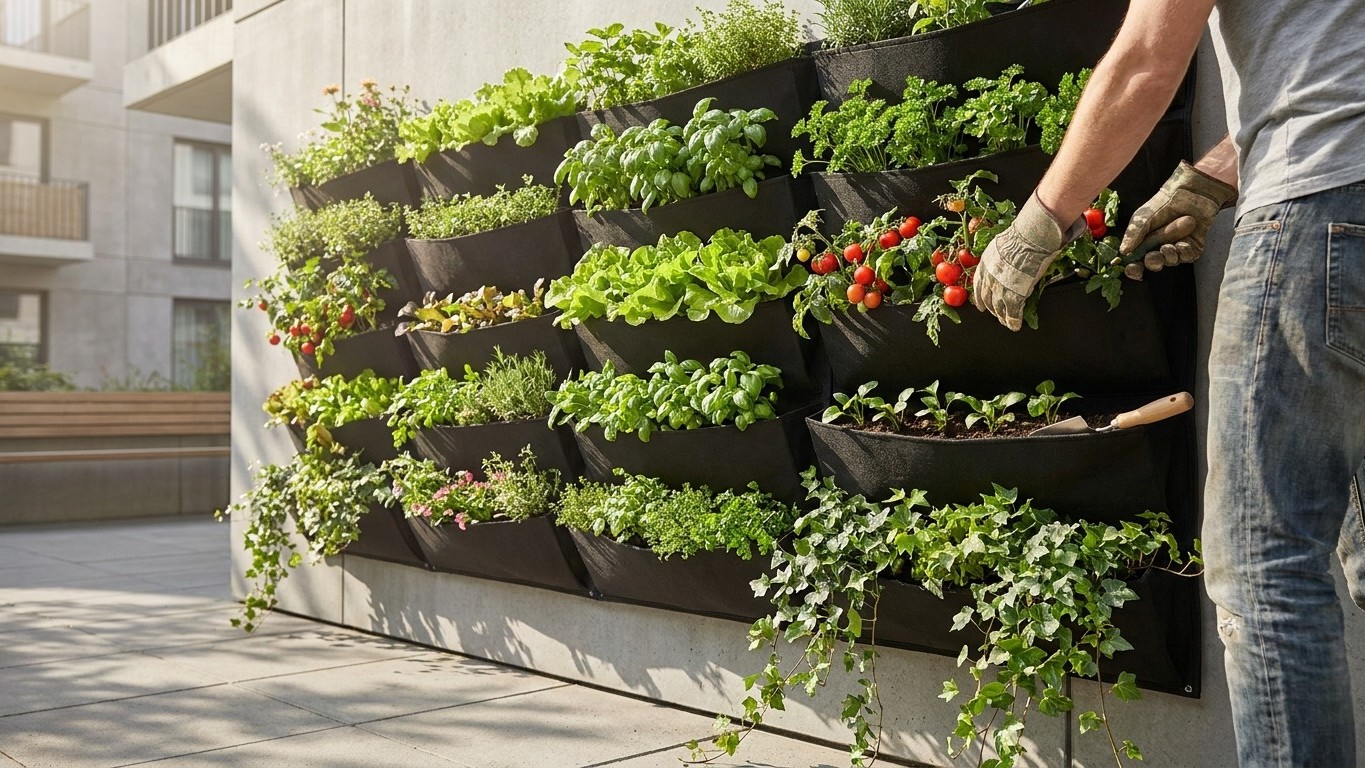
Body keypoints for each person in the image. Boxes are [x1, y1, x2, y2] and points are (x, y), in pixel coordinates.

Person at [970, 0, 1365, 764]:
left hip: (1318, 216)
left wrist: (1037, 223)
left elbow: (1146, 58)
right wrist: (1213, 175)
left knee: (1264, 566)